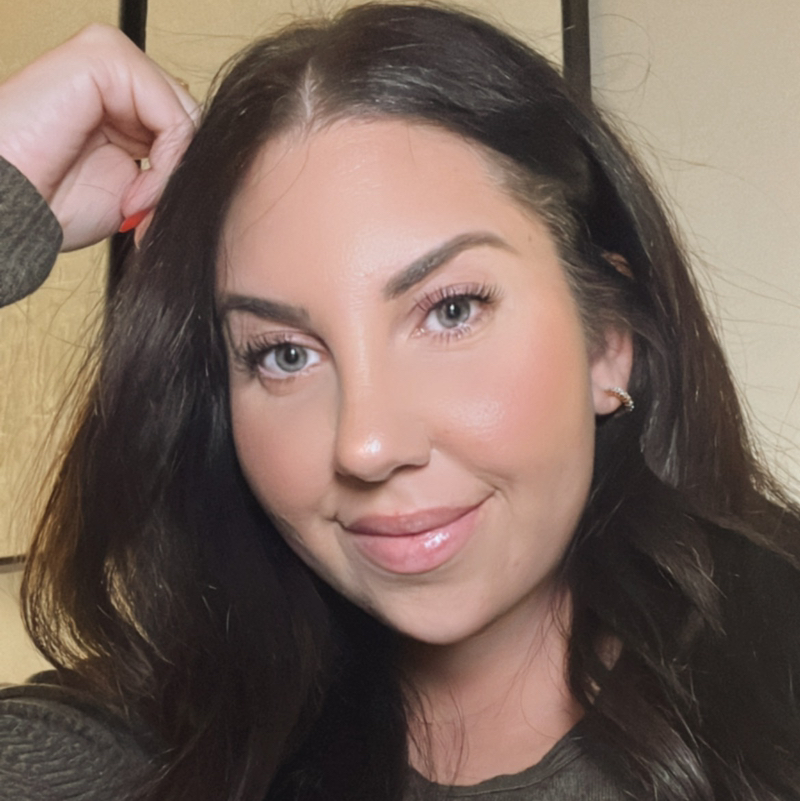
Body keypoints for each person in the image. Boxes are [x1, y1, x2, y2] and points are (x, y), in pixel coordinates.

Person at [1, 4, 799, 800]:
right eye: (284, 354)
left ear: (608, 340)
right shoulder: (164, 744)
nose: (367, 445)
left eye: (451, 310)